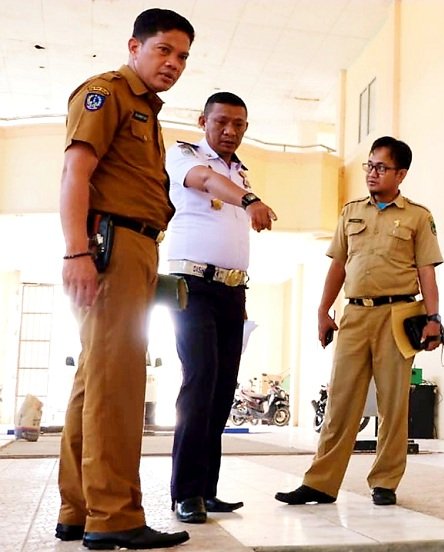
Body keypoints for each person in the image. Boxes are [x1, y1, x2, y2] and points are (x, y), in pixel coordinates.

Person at [57, 8, 194, 550]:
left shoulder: (146, 111)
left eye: (182, 56)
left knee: (95, 380)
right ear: (134, 46)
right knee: (117, 384)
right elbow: (76, 172)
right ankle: (114, 516)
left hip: (132, 246)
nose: (174, 63)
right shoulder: (107, 93)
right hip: (111, 245)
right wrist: (76, 252)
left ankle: (78, 508)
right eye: (164, 50)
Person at [275, 136, 443, 507]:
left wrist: (433, 319)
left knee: (393, 404)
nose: (372, 173)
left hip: (397, 316)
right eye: (370, 165)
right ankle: (321, 483)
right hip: (353, 315)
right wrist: (323, 311)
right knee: (340, 401)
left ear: (401, 174)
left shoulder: (418, 216)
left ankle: (385, 481)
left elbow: (426, 271)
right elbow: (338, 265)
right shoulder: (351, 212)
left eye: (381, 167)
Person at [165, 92, 277, 523]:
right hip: (192, 287)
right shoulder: (185, 155)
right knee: (200, 381)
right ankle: (185, 493)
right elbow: (207, 182)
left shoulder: (239, 171)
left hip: (233, 291)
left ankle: (206, 490)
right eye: (222, 122)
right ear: (203, 121)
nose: (230, 131)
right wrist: (250, 200)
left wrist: (246, 193)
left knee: (223, 388)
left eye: (239, 125)